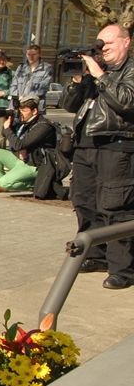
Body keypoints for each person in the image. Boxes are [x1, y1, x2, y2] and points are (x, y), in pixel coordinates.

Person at [62, 23, 134, 289]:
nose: (103, 49)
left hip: (117, 146)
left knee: (116, 206)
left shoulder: (130, 70)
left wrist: (99, 73)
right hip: (86, 146)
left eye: (109, 43)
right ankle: (94, 254)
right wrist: (78, 82)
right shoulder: (96, 74)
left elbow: (126, 101)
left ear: (126, 42)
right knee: (84, 200)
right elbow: (70, 105)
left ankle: (123, 269)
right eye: (99, 44)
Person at [0, 96, 55, 193]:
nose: (21, 113)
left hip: (35, 166)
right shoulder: (26, 122)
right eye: (20, 110)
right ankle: (1, 183)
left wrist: (7, 129)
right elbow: (10, 139)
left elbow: (19, 145)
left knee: (4, 183)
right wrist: (9, 123)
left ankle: (35, 184)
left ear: (34, 111)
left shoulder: (43, 126)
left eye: (24, 111)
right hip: (22, 161)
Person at [10, 44, 53, 114]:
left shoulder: (47, 68)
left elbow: (43, 88)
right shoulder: (21, 68)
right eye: (28, 54)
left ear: (39, 54)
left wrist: (26, 98)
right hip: (18, 105)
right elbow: (13, 85)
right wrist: (17, 96)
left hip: (35, 107)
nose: (31, 57)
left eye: (34, 54)